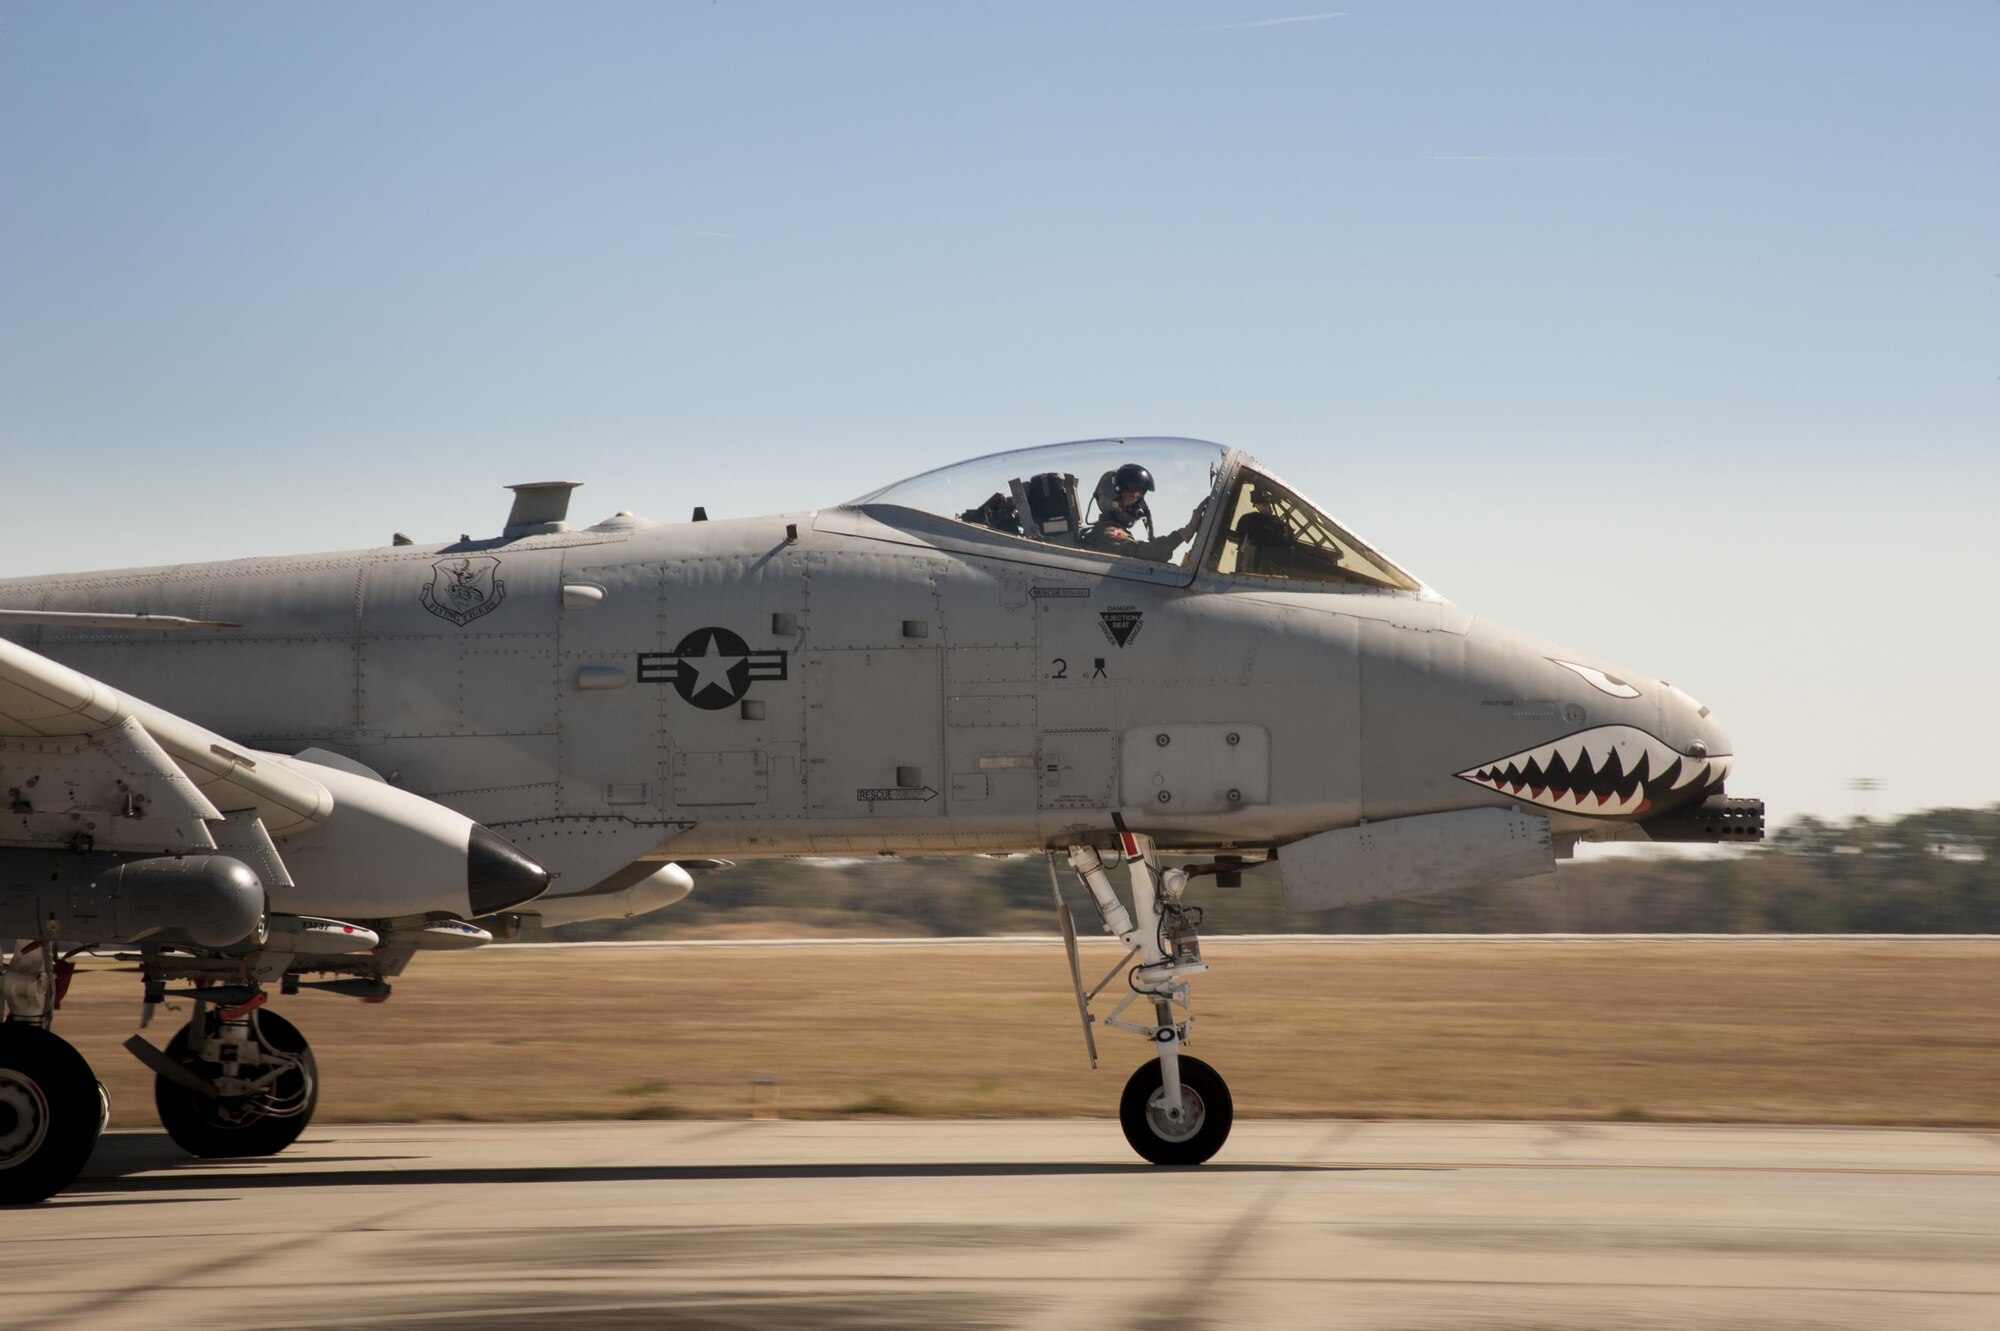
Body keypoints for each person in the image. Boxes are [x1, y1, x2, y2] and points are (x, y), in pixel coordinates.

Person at [1083, 463, 1206, 562]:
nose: (1140, 504)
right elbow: (1145, 553)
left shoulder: (1105, 532)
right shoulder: (1107, 534)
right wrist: (1185, 532)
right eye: (1133, 496)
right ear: (1112, 499)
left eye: (1139, 496)